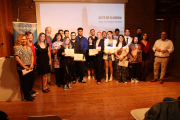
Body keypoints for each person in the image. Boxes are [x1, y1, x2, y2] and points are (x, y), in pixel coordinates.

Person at [14, 34, 35, 102]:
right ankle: (26, 96)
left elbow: (32, 55)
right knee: (25, 82)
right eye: (22, 39)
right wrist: (24, 66)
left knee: (31, 80)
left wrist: (31, 64)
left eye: (25, 39)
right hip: (22, 68)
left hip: (30, 67)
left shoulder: (28, 47)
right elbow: (16, 58)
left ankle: (28, 93)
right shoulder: (18, 47)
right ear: (19, 40)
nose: (24, 40)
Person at [25, 31, 39, 97]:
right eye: (29, 36)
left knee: (32, 78)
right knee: (28, 79)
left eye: (31, 36)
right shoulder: (25, 44)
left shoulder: (32, 44)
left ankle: (30, 90)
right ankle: (27, 93)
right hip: (28, 64)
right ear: (26, 37)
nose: (30, 37)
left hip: (33, 63)